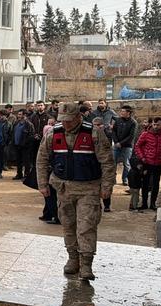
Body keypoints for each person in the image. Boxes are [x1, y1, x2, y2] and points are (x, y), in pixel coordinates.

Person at [36, 102, 115, 281]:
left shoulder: (94, 133)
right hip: (63, 188)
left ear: (79, 117)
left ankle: (86, 264)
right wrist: (42, 184)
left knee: (86, 227)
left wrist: (107, 186)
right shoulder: (52, 134)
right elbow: (41, 160)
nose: (66, 125)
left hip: (89, 188)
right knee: (68, 225)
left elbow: (107, 162)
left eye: (69, 121)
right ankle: (73, 259)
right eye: (63, 121)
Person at [134, 117, 161, 210]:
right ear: (151, 124)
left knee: (156, 183)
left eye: (158, 125)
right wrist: (142, 157)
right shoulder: (145, 134)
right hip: (147, 162)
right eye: (154, 124)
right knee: (145, 183)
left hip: (159, 163)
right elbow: (137, 146)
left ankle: (153, 203)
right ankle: (144, 203)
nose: (156, 126)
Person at [111, 105, 137, 186]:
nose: (121, 113)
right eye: (121, 111)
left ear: (128, 113)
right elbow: (114, 131)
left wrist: (121, 143)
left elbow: (131, 136)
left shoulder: (133, 122)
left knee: (126, 164)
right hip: (116, 145)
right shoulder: (118, 120)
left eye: (123, 111)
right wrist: (116, 142)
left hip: (127, 146)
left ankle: (125, 179)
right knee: (113, 162)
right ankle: (113, 179)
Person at [91, 117, 112, 212]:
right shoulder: (91, 134)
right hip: (94, 163)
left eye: (98, 125)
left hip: (105, 161)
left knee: (105, 184)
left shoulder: (107, 133)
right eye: (94, 125)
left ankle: (107, 205)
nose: (96, 127)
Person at [12, 110, 36, 180]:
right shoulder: (16, 123)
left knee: (26, 161)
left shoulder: (29, 124)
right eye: (18, 114)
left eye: (20, 114)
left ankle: (27, 175)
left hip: (25, 146)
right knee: (18, 161)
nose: (18, 116)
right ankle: (19, 174)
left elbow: (31, 136)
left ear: (24, 115)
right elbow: (13, 133)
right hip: (17, 145)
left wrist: (25, 143)